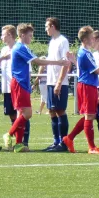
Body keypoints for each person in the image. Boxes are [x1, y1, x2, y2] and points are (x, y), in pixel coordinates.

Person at [2, 23, 68, 153]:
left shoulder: (22, 47)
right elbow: (37, 61)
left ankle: (18, 144)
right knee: (27, 113)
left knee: (22, 114)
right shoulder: (20, 47)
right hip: (20, 83)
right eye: (30, 36)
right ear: (22, 35)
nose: (31, 38)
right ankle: (9, 134)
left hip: (22, 83)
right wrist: (58, 62)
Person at [62, 26, 99, 154]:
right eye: (91, 37)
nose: (94, 39)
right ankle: (91, 147)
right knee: (89, 115)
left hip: (89, 85)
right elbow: (97, 70)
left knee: (90, 115)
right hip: (87, 86)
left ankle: (69, 138)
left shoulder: (85, 52)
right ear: (86, 39)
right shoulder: (85, 53)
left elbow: (85, 69)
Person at [0, 25, 31, 147]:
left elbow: (29, 68)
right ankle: (15, 140)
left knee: (22, 114)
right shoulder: (5, 50)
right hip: (11, 87)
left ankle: (22, 142)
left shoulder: (20, 48)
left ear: (10, 35)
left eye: (3, 34)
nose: (1, 36)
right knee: (18, 114)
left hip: (19, 85)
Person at [44, 17, 70, 152]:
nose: (46, 29)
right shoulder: (52, 41)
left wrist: (59, 82)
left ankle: (63, 142)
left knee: (60, 111)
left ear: (53, 26)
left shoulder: (63, 41)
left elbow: (66, 63)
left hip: (58, 82)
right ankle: (56, 141)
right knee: (51, 110)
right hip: (50, 81)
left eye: (47, 26)